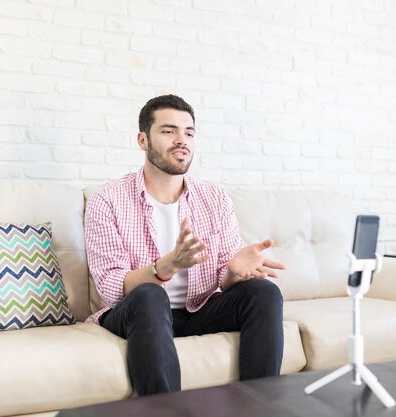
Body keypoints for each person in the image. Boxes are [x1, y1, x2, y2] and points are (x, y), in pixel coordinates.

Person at [84, 94, 285, 396]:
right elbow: (111, 287)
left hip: (197, 310)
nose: (182, 140)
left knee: (264, 292)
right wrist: (165, 267)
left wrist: (232, 271)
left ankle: (258, 407)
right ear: (143, 140)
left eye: (188, 132)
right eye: (168, 131)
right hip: (138, 312)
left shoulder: (214, 198)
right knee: (150, 295)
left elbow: (223, 280)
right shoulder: (109, 199)